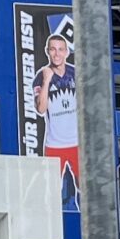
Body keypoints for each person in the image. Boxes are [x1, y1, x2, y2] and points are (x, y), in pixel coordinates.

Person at [32, 27, 79, 198]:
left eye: (60, 49)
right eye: (53, 49)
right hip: (54, 144)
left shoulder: (76, 73)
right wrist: (46, 80)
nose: (57, 54)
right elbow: (41, 109)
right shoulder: (41, 76)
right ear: (47, 52)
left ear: (67, 52)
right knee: (51, 190)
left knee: (85, 188)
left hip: (77, 142)